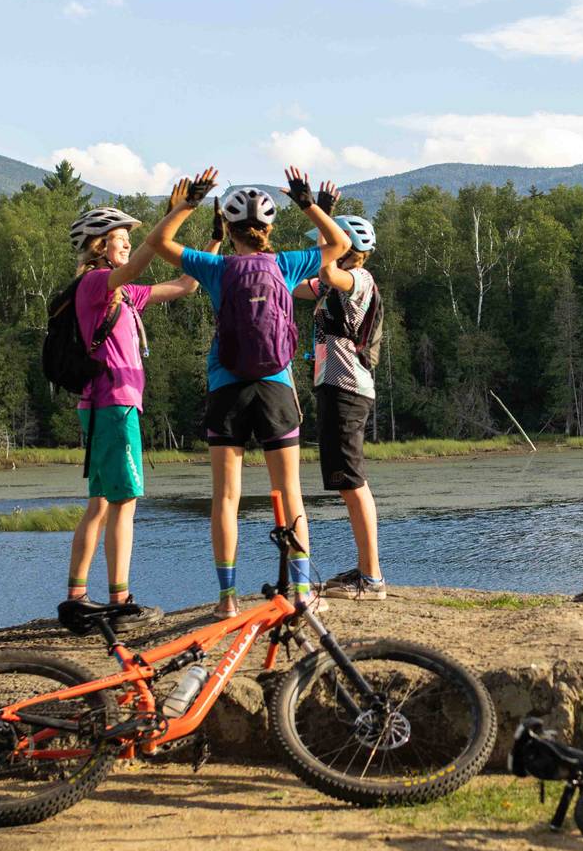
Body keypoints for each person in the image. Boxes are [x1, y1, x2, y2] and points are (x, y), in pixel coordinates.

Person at [165, 166, 348, 617]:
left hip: (227, 388)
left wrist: (183, 207)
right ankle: (302, 593)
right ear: (269, 228)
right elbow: (340, 247)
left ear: (228, 230)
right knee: (289, 492)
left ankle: (227, 600)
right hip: (275, 387)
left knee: (226, 496)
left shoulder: (216, 267)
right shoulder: (286, 263)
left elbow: (157, 245)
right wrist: (309, 204)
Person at [62, 172, 213, 624]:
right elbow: (140, 265)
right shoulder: (96, 284)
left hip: (107, 406)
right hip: (112, 405)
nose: (127, 244)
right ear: (98, 245)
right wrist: (176, 212)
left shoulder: (123, 293)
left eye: (129, 238)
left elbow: (186, 285)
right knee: (124, 502)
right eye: (120, 238)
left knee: (102, 503)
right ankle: (119, 602)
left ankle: (76, 598)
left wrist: (214, 244)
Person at [291, 181, 385, 600]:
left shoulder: (356, 279)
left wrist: (315, 210)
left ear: (346, 247)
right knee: (346, 479)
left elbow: (326, 269)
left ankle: (372, 578)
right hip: (334, 386)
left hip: (348, 387)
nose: (323, 251)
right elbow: (295, 285)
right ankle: (365, 570)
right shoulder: (331, 285)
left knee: (352, 480)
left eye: (329, 244)